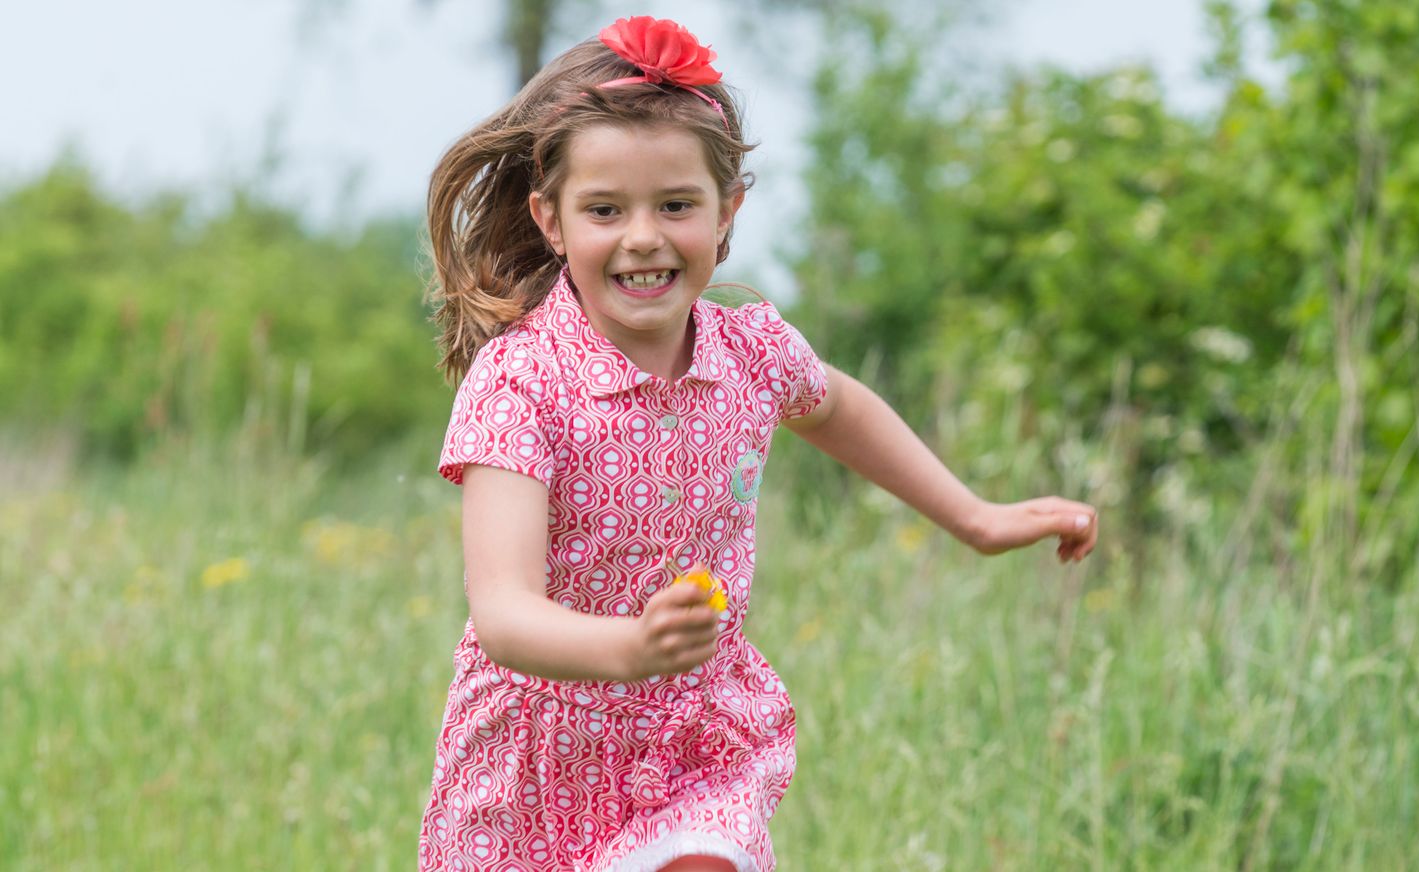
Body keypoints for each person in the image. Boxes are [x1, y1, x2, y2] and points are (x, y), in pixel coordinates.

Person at [418, 15, 1099, 871]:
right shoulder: (522, 385)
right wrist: (629, 648)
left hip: (694, 748)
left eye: (676, 205)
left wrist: (974, 518)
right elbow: (504, 611)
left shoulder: (752, 351)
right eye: (604, 210)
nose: (642, 237)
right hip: (532, 776)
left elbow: (840, 409)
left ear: (728, 211)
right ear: (550, 220)